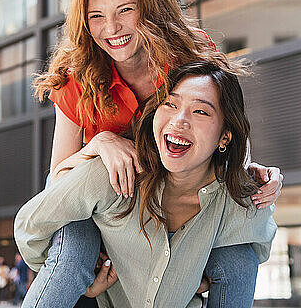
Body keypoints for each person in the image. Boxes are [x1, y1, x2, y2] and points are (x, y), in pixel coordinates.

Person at [28, 0, 283, 308]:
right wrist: (101, 142)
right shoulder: (75, 76)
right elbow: (59, 181)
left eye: (125, 11)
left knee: (239, 261)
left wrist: (249, 170)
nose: (111, 29)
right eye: (96, 16)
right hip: (100, 195)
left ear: (149, 8)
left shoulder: (189, 51)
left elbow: (223, 116)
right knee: (71, 260)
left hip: (167, 196)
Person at [16, 61, 277, 307]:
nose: (180, 120)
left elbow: (257, 250)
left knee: (241, 258)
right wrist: (76, 275)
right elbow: (30, 225)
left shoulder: (240, 198)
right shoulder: (115, 174)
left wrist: (201, 274)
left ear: (225, 137)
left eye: (200, 111)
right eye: (170, 104)